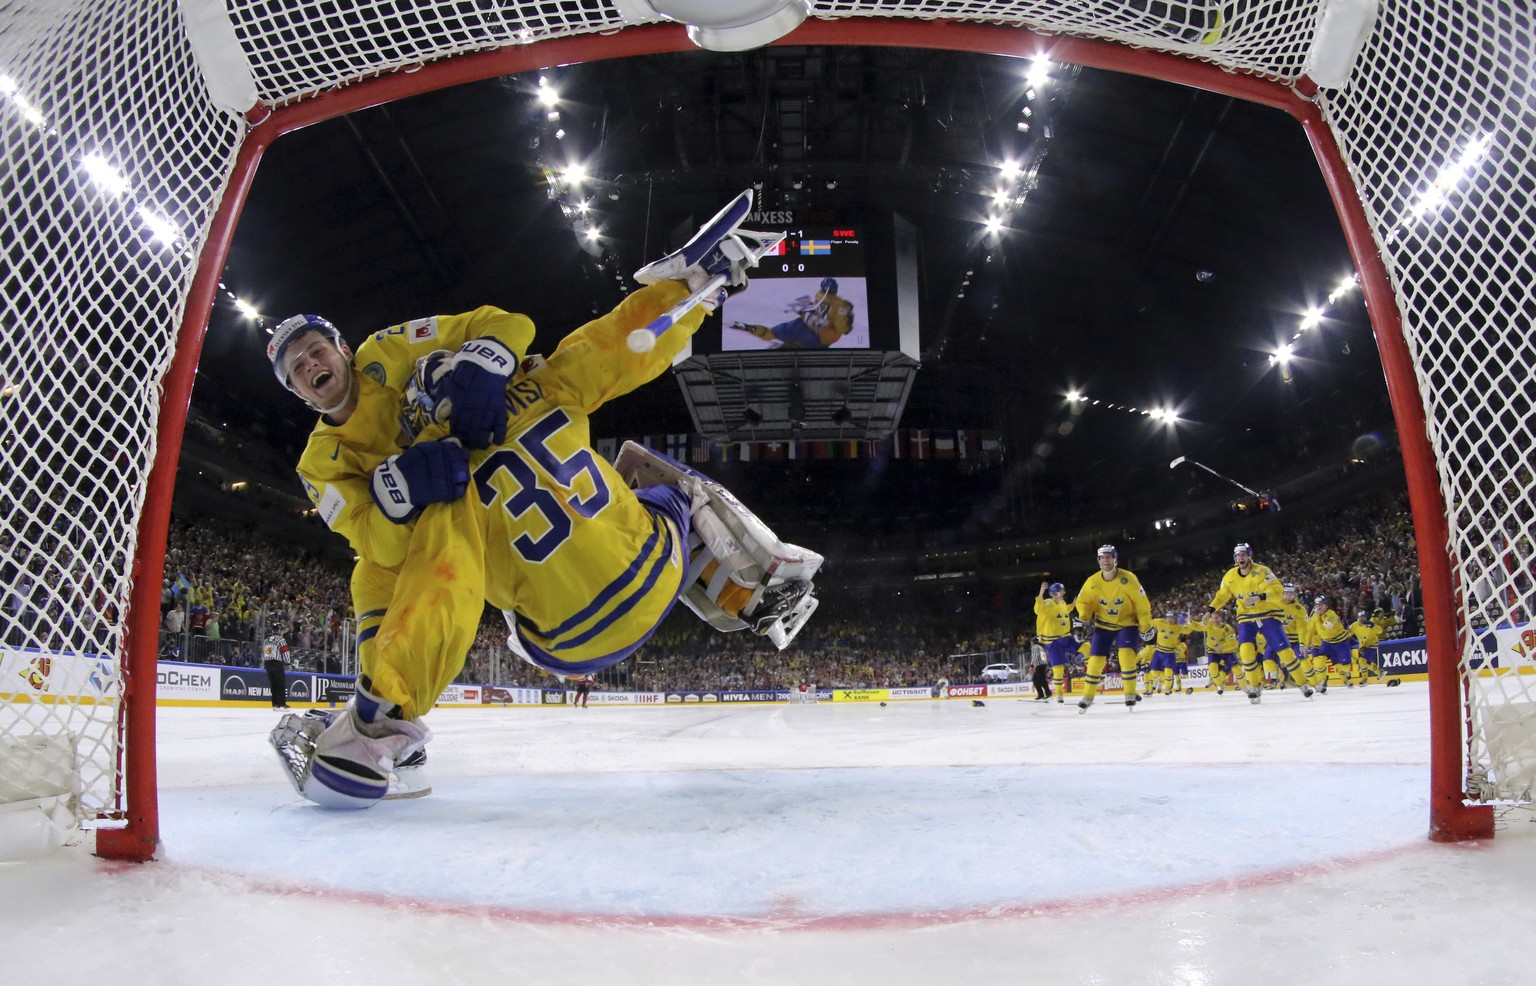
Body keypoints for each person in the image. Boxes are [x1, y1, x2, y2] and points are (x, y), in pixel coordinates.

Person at [267, 189, 817, 808]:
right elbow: (612, 346)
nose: (309, 363)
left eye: (314, 349)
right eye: (295, 367)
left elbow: (417, 567)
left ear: (342, 350)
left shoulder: (433, 488)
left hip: (560, 643)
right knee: (645, 470)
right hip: (655, 573)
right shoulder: (537, 382)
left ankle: (381, 723)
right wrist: (691, 293)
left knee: (405, 570)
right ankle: (756, 583)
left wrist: (402, 495)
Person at [1206, 543, 1313, 704]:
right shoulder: (1229, 576)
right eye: (1238, 555)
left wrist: (1260, 597)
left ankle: (1302, 684)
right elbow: (1222, 595)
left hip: (1268, 614)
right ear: (1235, 558)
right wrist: (1210, 609)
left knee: (1285, 653)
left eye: (1243, 554)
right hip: (1246, 617)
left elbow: (1277, 589)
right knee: (1246, 652)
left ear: (1249, 556)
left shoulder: (1263, 571)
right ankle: (1255, 686)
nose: (1241, 557)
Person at [1072, 544, 1153, 712]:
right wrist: (1083, 619)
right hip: (1103, 625)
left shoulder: (1129, 578)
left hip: (1127, 624)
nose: (1105, 560)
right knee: (1095, 662)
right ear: (1098, 560)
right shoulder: (1092, 582)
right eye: (1102, 557)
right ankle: (1088, 696)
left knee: (1126, 657)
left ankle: (1129, 693)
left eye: (1108, 557)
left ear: (1115, 559)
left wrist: (1146, 626)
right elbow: (1084, 603)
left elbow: (1141, 604)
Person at [726, 276, 855, 349]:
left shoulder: (831, 301)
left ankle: (748, 328)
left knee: (772, 334)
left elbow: (841, 329)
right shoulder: (837, 303)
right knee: (777, 337)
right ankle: (784, 346)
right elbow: (843, 329)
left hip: (811, 334)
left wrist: (808, 315)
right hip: (812, 334)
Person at [1034, 581, 1073, 703]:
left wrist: (1074, 604)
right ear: (1054, 593)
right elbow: (1037, 609)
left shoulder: (1062, 602)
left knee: (1084, 649)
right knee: (1051, 671)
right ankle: (1052, 694)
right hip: (1050, 639)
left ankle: (1047, 693)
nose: (1064, 592)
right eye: (1061, 591)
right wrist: (1041, 592)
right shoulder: (1048, 603)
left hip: (1062, 637)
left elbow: (1064, 610)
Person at [1350, 610, 1383, 684]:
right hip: (1363, 647)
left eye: (1363, 617)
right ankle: (1379, 672)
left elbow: (1380, 631)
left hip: (1372, 645)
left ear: (1365, 617)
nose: (1361, 619)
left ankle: (1365, 679)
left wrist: (1373, 625)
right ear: (1357, 618)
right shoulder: (1354, 625)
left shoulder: (1369, 624)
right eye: (1360, 617)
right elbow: (1347, 633)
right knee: (1361, 662)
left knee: (1362, 661)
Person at [262, 623, 290, 710]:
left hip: (268, 663)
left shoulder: (266, 640)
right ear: (279, 630)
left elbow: (263, 653)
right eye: (281, 630)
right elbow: (285, 651)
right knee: (280, 683)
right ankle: (281, 703)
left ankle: (275, 704)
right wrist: (287, 663)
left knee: (273, 684)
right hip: (277, 663)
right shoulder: (281, 640)